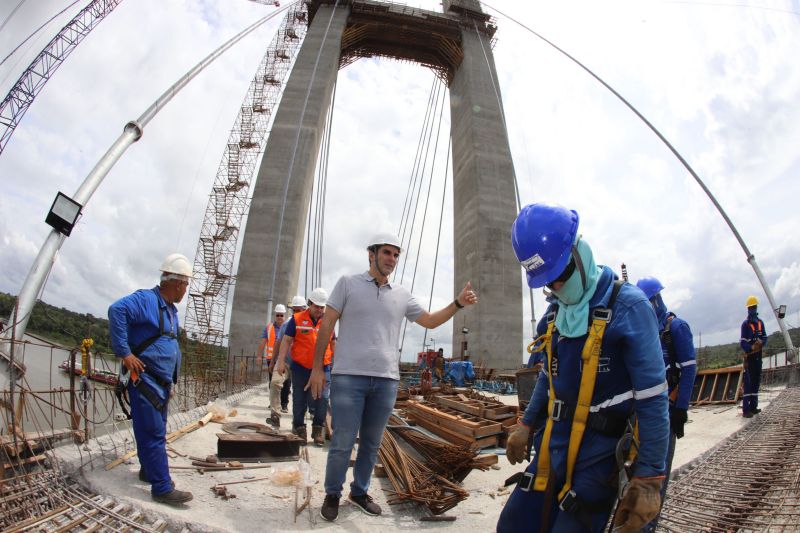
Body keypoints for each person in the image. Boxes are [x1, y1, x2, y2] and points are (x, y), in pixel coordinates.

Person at [499, 203, 669, 533]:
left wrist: (649, 478)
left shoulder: (628, 308)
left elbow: (653, 401)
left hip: (600, 452)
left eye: (561, 276)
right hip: (554, 441)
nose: (557, 289)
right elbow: (549, 377)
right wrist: (526, 424)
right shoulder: (555, 316)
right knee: (513, 525)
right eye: (548, 283)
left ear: (579, 254)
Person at [308, 233, 478, 522]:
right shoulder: (348, 283)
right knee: (343, 441)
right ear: (371, 254)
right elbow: (327, 325)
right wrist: (316, 369)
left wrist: (458, 304)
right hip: (349, 376)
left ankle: (359, 492)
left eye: (396, 255)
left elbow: (430, 320)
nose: (392, 259)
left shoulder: (402, 295)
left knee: (372, 443)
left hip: (386, 380)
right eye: (387, 252)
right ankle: (332, 493)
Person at [107, 253, 194, 506]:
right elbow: (116, 311)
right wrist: (125, 353)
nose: (186, 290)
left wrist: (173, 380)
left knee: (148, 431)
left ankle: (149, 471)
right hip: (146, 380)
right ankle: (162, 487)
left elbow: (169, 345)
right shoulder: (146, 300)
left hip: (161, 383)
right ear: (176, 282)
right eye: (186, 284)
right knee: (154, 433)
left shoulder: (170, 311)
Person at [636, 276, 698, 531]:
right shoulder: (647, 330)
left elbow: (690, 370)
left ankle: (649, 526)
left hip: (668, 410)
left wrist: (681, 408)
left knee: (657, 476)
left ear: (656, 300)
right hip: (645, 412)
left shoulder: (676, 328)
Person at [273, 288, 334, 446]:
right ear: (309, 304)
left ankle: (318, 430)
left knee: (322, 399)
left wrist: (337, 365)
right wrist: (280, 361)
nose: (319, 310)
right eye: (316, 306)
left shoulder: (328, 321)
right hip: (301, 367)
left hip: (323, 367)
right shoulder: (297, 319)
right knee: (300, 399)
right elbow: (286, 341)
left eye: (322, 307)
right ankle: (299, 429)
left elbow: (333, 343)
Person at [266, 296, 306, 426]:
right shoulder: (287, 324)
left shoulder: (309, 325)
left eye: (299, 310)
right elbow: (278, 343)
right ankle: (275, 415)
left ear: (304, 309)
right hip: (286, 361)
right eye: (294, 310)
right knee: (275, 383)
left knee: (301, 392)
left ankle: (299, 421)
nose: (296, 313)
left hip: (302, 364)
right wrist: (273, 362)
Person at [740, 295, 768, 418]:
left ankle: (754, 407)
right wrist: (750, 347)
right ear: (748, 309)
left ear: (756, 308)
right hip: (750, 358)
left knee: (756, 382)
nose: (752, 309)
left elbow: (765, 337)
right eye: (750, 307)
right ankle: (746, 410)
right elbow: (742, 342)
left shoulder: (761, 323)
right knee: (748, 383)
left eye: (753, 307)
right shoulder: (745, 325)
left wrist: (762, 343)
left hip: (758, 357)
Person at [257, 304, 287, 380]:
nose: (279, 317)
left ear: (284, 316)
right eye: (278, 315)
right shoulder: (269, 328)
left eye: (281, 315)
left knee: (285, 382)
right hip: (271, 359)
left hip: (285, 359)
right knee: (273, 380)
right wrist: (259, 356)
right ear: (275, 316)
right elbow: (262, 342)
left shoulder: (289, 327)